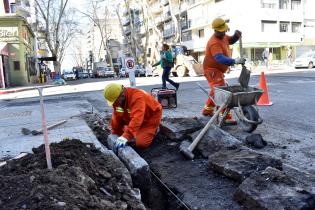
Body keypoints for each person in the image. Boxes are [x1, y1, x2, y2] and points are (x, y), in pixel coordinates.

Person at [202, 17, 245, 122]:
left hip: (218, 70)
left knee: (215, 91)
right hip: (211, 70)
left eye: (225, 31)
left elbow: (229, 40)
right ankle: (225, 117)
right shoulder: (214, 42)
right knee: (221, 91)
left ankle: (207, 110)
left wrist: (236, 36)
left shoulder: (223, 36)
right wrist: (234, 61)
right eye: (222, 32)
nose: (224, 33)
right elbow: (219, 58)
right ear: (215, 30)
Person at [103, 83, 162, 151]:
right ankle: (135, 131)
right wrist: (115, 133)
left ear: (122, 95)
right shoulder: (117, 101)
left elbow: (137, 119)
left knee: (141, 144)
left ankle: (155, 130)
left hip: (150, 117)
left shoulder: (137, 97)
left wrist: (126, 136)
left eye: (115, 101)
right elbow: (116, 117)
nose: (114, 103)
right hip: (133, 116)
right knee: (126, 133)